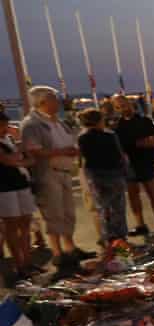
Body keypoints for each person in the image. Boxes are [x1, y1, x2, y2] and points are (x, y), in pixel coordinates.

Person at [20, 86, 83, 273]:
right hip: (48, 173)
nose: (57, 102)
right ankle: (58, 253)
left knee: (68, 212)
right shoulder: (32, 124)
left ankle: (70, 248)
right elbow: (35, 150)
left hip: (64, 171)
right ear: (41, 102)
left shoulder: (58, 122)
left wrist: (72, 150)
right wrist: (63, 151)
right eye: (53, 99)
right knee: (53, 213)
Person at [77, 108, 129, 258]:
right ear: (100, 121)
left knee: (103, 208)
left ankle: (108, 238)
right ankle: (121, 237)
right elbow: (120, 155)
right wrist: (125, 171)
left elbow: (82, 160)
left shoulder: (82, 138)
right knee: (118, 207)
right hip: (114, 174)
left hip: (95, 175)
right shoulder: (110, 136)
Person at [114, 97, 154, 236]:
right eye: (118, 107)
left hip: (145, 162)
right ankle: (140, 224)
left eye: (124, 105)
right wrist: (138, 143)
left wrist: (134, 144)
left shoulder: (145, 121)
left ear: (131, 105)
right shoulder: (118, 125)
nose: (123, 109)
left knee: (152, 192)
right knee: (133, 195)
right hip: (129, 164)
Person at [0, 110, 35, 280]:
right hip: (4, 186)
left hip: (20, 182)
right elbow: (7, 160)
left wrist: (17, 158)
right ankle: (19, 264)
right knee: (11, 225)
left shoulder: (9, 139)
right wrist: (19, 157)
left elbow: (30, 160)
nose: (6, 128)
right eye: (3, 125)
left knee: (25, 222)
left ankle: (27, 261)